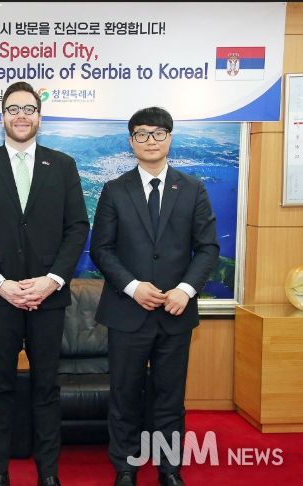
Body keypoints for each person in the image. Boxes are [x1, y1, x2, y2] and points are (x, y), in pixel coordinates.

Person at [0, 82, 90, 486]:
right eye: (13, 109)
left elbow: (77, 227)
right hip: (1, 299)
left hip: (49, 298)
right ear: (1, 116)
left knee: (46, 386)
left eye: (29, 109)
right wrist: (0, 283)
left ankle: (48, 472)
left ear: (39, 116)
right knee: (0, 383)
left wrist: (52, 280)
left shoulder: (62, 165)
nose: (21, 116)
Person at [89, 107, 219, 486]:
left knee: (170, 396)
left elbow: (207, 248)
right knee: (124, 394)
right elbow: (101, 249)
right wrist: (133, 286)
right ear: (131, 141)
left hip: (175, 313)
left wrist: (185, 290)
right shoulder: (115, 189)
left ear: (170, 139)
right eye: (142, 134)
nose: (151, 140)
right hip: (127, 312)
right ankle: (125, 468)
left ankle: (169, 468)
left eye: (158, 133)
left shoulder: (192, 188)